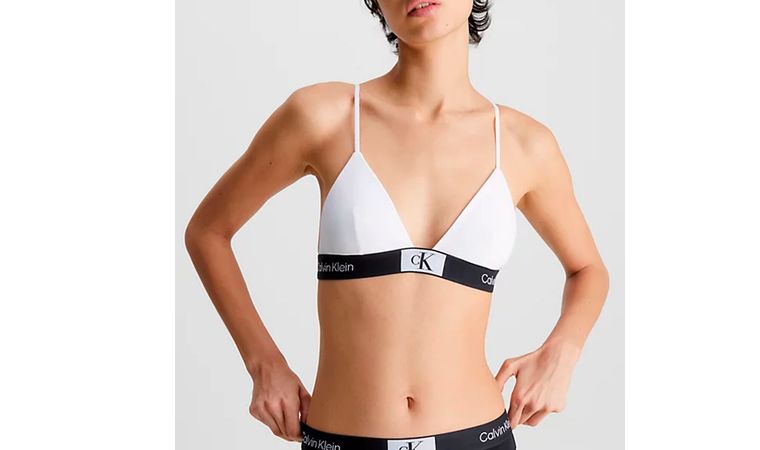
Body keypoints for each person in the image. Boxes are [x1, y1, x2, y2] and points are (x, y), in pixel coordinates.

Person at [185, 1, 609, 449]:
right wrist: (264, 364)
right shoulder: (325, 116)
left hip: (478, 439)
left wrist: (563, 350)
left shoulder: (524, 145)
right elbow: (208, 231)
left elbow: (589, 270)